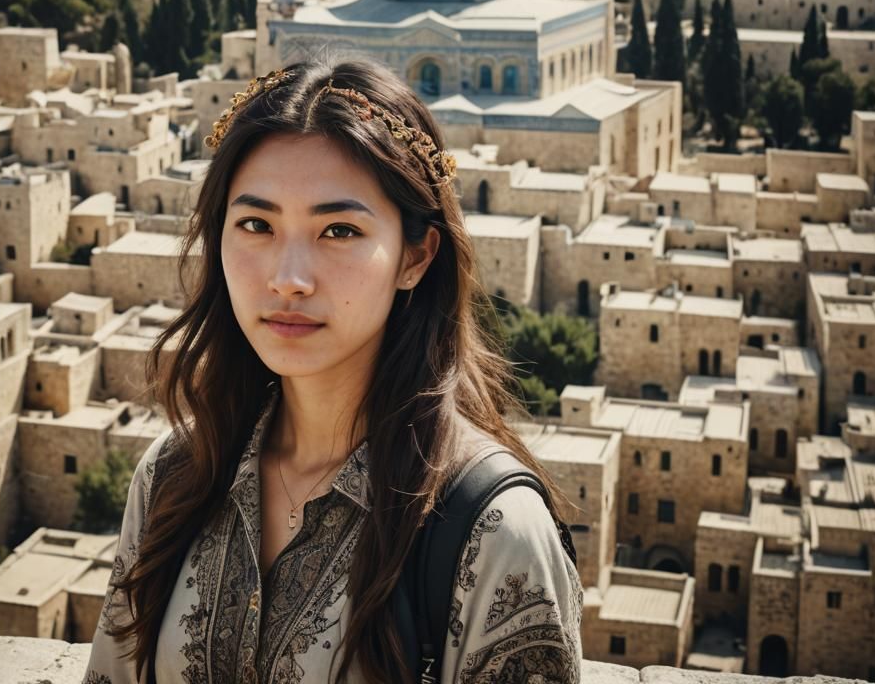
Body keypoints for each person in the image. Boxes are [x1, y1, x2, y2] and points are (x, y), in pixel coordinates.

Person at [83, 58, 583, 684]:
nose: (288, 278)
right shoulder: (173, 478)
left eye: (339, 230)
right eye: (256, 225)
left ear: (416, 256)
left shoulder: (493, 533)